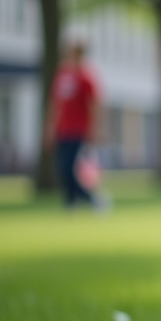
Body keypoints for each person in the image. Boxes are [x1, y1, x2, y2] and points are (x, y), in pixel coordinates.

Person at [43, 40, 106, 210]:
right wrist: (50, 128)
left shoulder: (86, 78)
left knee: (69, 167)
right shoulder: (62, 77)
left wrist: (96, 129)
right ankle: (72, 200)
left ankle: (90, 198)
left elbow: (94, 105)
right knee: (62, 168)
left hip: (78, 130)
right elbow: (55, 105)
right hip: (62, 130)